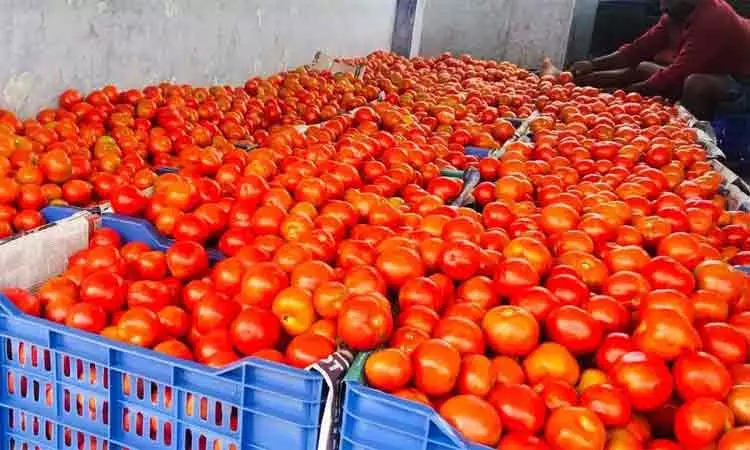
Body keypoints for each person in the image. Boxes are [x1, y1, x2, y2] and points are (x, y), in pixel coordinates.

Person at [560, 0, 750, 119]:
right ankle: (574, 81)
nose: (662, 6)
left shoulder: (714, 19)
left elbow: (679, 73)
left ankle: (690, 134)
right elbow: (638, 50)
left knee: (696, 84)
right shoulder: (675, 13)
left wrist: (625, 95)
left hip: (741, 82)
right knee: (643, 67)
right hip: (710, 70)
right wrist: (592, 65)